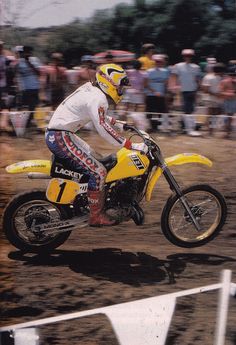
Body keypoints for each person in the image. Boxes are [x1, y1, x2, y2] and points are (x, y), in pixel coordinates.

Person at [45, 63, 148, 226]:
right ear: (111, 82)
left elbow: (99, 117)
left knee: (99, 162)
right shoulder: (98, 98)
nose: (122, 90)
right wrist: (129, 145)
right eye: (121, 86)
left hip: (62, 135)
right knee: (98, 172)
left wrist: (121, 125)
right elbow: (103, 128)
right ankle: (95, 216)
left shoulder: (93, 92)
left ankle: (89, 201)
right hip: (60, 137)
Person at [170, 49, 201, 136]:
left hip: (193, 90)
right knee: (186, 110)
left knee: (191, 109)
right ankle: (189, 129)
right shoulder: (178, 66)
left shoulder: (196, 67)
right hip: (182, 91)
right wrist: (174, 89)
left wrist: (198, 91)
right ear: (183, 56)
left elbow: (198, 80)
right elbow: (174, 77)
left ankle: (187, 127)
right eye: (186, 56)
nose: (188, 57)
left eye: (190, 56)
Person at [16, 45, 41, 128]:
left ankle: (28, 124)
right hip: (25, 89)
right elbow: (16, 74)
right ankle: (20, 124)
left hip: (35, 88)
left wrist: (29, 63)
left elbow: (39, 73)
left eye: (28, 52)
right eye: (25, 52)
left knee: (33, 107)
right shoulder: (19, 62)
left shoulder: (35, 60)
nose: (27, 54)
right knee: (23, 107)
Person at [144, 54, 170, 132]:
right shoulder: (149, 71)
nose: (158, 63)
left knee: (161, 111)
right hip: (151, 95)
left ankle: (159, 126)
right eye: (157, 62)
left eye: (160, 62)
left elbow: (166, 83)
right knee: (151, 111)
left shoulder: (166, 71)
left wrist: (166, 93)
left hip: (161, 95)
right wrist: (154, 92)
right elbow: (146, 84)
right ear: (154, 62)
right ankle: (152, 127)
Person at [201, 63, 225, 135]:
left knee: (216, 114)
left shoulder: (222, 78)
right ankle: (210, 130)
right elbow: (205, 90)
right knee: (212, 114)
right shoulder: (208, 77)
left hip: (219, 99)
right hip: (210, 99)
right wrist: (215, 95)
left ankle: (208, 127)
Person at [219, 65, 236, 139]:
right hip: (228, 101)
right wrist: (231, 93)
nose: (234, 77)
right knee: (228, 117)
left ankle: (227, 132)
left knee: (229, 117)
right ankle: (227, 133)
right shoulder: (224, 81)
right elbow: (220, 92)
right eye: (232, 75)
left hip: (233, 100)